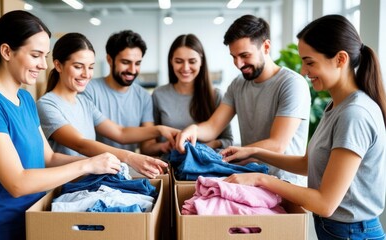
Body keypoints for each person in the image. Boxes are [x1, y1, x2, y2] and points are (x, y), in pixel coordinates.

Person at [222, 14, 386, 239]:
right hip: (337, 230)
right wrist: (254, 151)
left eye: (309, 62)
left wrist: (261, 179)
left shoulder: (354, 114)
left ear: (340, 59)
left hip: (353, 233)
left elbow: (325, 203)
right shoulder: (335, 106)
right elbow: (307, 164)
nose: (303, 71)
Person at [0, 11, 121, 240]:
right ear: (7, 51)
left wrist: (99, 164)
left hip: (35, 225)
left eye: (45, 56)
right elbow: (17, 183)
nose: (42, 65)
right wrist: (86, 166)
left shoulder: (26, 99)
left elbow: (49, 159)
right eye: (36, 55)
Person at [175, 15, 311, 185]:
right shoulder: (238, 84)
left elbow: (277, 144)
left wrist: (235, 153)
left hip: (286, 185)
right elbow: (213, 126)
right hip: (250, 180)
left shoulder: (292, 84)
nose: (238, 64)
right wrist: (193, 130)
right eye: (233, 56)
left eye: (245, 55)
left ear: (266, 47)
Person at [37, 32, 179, 179]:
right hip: (65, 187)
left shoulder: (84, 102)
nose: (86, 74)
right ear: (58, 65)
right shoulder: (47, 105)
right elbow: (80, 143)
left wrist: (161, 130)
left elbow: (120, 133)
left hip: (90, 182)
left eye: (90, 67)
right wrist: (129, 158)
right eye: (78, 67)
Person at [152, 34, 233, 155]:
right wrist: (164, 146)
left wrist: (205, 146)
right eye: (179, 61)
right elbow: (148, 146)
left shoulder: (216, 96)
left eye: (192, 61)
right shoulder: (159, 95)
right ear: (171, 62)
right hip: (170, 166)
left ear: (201, 61)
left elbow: (228, 140)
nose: (185, 68)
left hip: (206, 167)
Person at [82, 30, 157, 155]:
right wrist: (160, 130)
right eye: (125, 62)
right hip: (95, 169)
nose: (132, 70)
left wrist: (168, 145)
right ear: (110, 60)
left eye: (137, 63)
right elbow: (81, 141)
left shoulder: (143, 96)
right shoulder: (88, 90)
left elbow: (147, 146)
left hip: (130, 170)